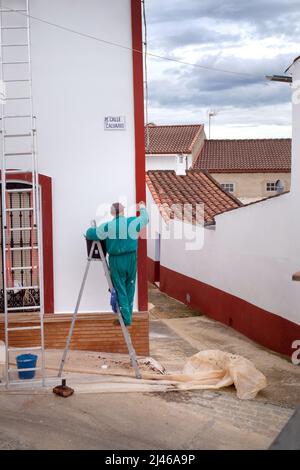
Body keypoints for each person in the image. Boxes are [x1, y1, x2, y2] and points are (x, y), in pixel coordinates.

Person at [95, 201, 148, 326]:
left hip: (116, 260)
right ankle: (128, 316)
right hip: (131, 258)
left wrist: (92, 229)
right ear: (123, 211)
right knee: (130, 286)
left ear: (112, 213)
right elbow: (145, 218)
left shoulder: (108, 226)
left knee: (120, 289)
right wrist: (142, 207)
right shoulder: (131, 222)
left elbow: (92, 233)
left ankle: (126, 318)